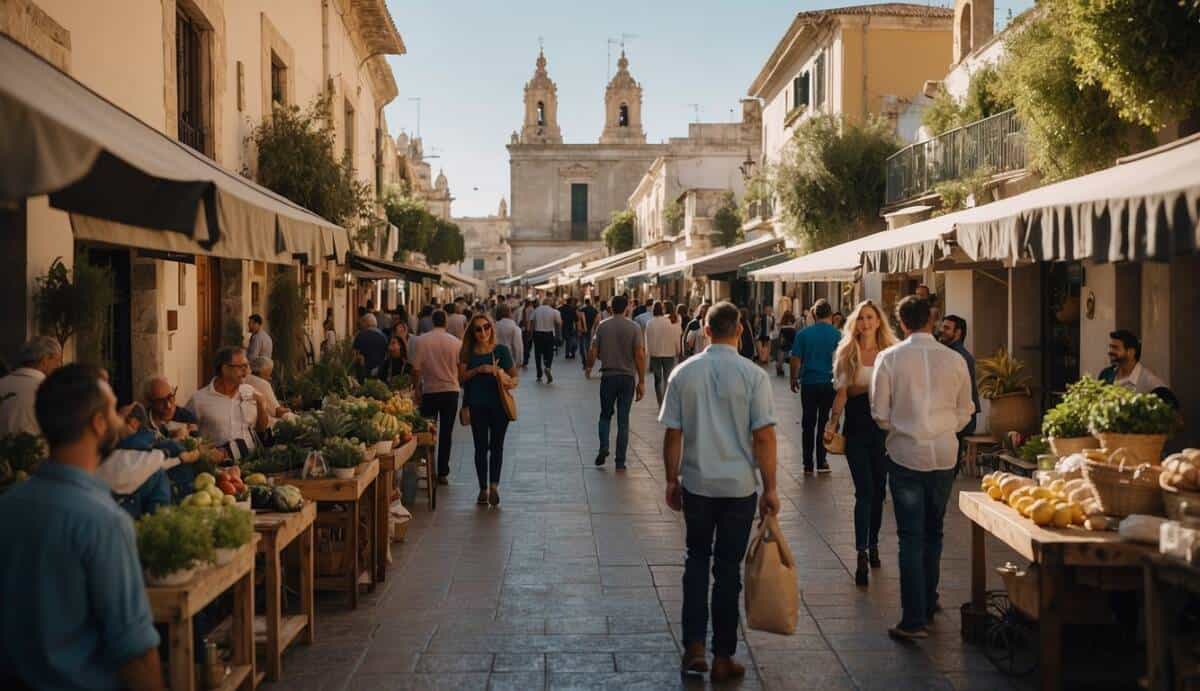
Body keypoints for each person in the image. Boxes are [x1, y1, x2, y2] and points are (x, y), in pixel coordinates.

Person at [0, 364, 164, 690]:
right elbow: (136, 654)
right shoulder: (104, 521)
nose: (120, 419)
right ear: (98, 424)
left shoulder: (8, 506)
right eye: (113, 411)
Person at [660, 301, 779, 683]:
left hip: (697, 483)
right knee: (728, 571)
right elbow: (764, 436)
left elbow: (673, 434)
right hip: (739, 487)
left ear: (706, 331)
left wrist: (670, 479)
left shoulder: (683, 373)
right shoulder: (753, 375)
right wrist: (771, 487)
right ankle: (723, 656)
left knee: (696, 561)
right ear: (740, 330)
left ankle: (694, 647)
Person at [871, 296, 974, 640]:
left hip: (905, 454)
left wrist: (907, 428)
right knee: (934, 531)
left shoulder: (889, 359)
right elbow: (967, 410)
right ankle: (928, 602)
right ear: (931, 321)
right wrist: (944, 429)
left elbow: (880, 413)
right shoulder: (955, 359)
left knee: (910, 537)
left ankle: (914, 618)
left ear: (901, 323)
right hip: (945, 454)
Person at [825, 301, 897, 586]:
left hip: (884, 430)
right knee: (864, 491)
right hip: (856, 427)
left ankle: (874, 542)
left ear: (879, 321)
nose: (866, 323)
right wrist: (832, 423)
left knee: (879, 491)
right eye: (862, 318)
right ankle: (861, 553)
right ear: (856, 323)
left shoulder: (891, 352)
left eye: (871, 317)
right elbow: (842, 393)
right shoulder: (847, 352)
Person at [459, 313, 518, 506]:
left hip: (499, 406)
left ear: (492, 328)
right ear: (472, 332)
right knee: (480, 447)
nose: (483, 332)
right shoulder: (467, 352)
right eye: (478, 329)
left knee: (497, 446)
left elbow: (515, 377)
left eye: (486, 327)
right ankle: (482, 488)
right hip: (477, 406)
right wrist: (478, 370)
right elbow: (461, 378)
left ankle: (494, 486)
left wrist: (503, 377)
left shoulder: (501, 351)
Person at [588, 295, 646, 470]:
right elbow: (639, 355)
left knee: (605, 415)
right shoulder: (634, 327)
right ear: (627, 308)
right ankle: (620, 460)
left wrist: (588, 367)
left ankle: (604, 446)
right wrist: (641, 381)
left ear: (611, 308)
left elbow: (593, 350)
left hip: (608, 376)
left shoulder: (602, 326)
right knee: (623, 420)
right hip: (627, 378)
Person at [185, 346, 270, 460]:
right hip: (219, 467)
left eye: (247, 366)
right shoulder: (199, 400)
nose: (246, 371)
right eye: (241, 367)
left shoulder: (250, 391)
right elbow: (186, 434)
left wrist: (261, 404)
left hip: (253, 462)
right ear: (224, 368)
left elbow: (261, 429)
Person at [410, 310, 461, 484]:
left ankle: (428, 466)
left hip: (430, 391)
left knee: (427, 431)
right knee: (446, 432)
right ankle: (443, 472)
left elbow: (416, 369)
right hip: (450, 391)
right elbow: (460, 369)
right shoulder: (456, 343)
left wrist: (416, 388)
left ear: (432, 322)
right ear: (445, 322)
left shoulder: (422, 341)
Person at [790, 299, 841, 474]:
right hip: (829, 383)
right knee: (824, 421)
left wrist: (793, 378)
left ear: (814, 314)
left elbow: (795, 359)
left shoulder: (803, 334)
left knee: (808, 422)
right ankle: (822, 460)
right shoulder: (838, 335)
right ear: (831, 315)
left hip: (809, 383)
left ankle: (807, 464)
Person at [0, 336, 63, 436]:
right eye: (58, 361)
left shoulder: (2, 383)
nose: (59, 366)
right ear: (46, 358)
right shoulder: (51, 392)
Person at [939, 315, 981, 436]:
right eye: (942, 327)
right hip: (958, 417)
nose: (942, 331)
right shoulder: (949, 354)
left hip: (960, 419)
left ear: (958, 332)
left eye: (947, 328)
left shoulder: (959, 357)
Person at [1098, 329, 1167, 393]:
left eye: (1115, 347)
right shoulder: (1106, 375)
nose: (1110, 351)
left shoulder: (1150, 382)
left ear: (1131, 352)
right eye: (1110, 347)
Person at [645, 302, 682, 407]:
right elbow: (675, 337)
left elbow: (647, 339)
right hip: (669, 353)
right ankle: (666, 400)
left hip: (655, 354)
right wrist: (678, 350)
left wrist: (649, 353)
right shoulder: (669, 322)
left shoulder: (650, 323)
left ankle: (660, 402)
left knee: (657, 379)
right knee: (667, 377)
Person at [247, 357, 289, 421]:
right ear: (263, 371)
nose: (270, 377)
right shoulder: (263, 384)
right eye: (269, 372)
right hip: (260, 421)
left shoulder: (245, 379)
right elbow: (277, 412)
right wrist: (288, 409)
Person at [531, 297, 562, 383]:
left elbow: (532, 323)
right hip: (549, 334)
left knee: (537, 354)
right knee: (549, 352)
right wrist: (559, 336)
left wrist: (530, 335)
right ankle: (548, 366)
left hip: (538, 334)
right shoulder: (554, 311)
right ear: (550, 303)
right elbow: (559, 324)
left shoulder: (536, 310)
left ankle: (539, 375)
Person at [352, 313, 389, 378]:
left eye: (362, 323)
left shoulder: (360, 335)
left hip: (364, 372)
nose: (361, 326)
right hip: (380, 371)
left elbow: (354, 354)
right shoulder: (384, 336)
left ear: (366, 323)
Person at [578, 298, 599, 368]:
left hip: (583, 331)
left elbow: (579, 320)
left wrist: (580, 329)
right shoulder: (595, 310)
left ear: (585, 303)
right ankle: (588, 362)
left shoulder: (582, 310)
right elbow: (597, 320)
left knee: (582, 347)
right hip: (591, 331)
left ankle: (584, 362)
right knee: (588, 347)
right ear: (590, 302)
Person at [776, 311, 797, 377]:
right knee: (793, 351)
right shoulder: (793, 319)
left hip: (784, 333)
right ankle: (794, 370)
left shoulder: (783, 320)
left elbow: (780, 329)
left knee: (782, 351)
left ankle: (779, 366)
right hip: (792, 333)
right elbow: (795, 326)